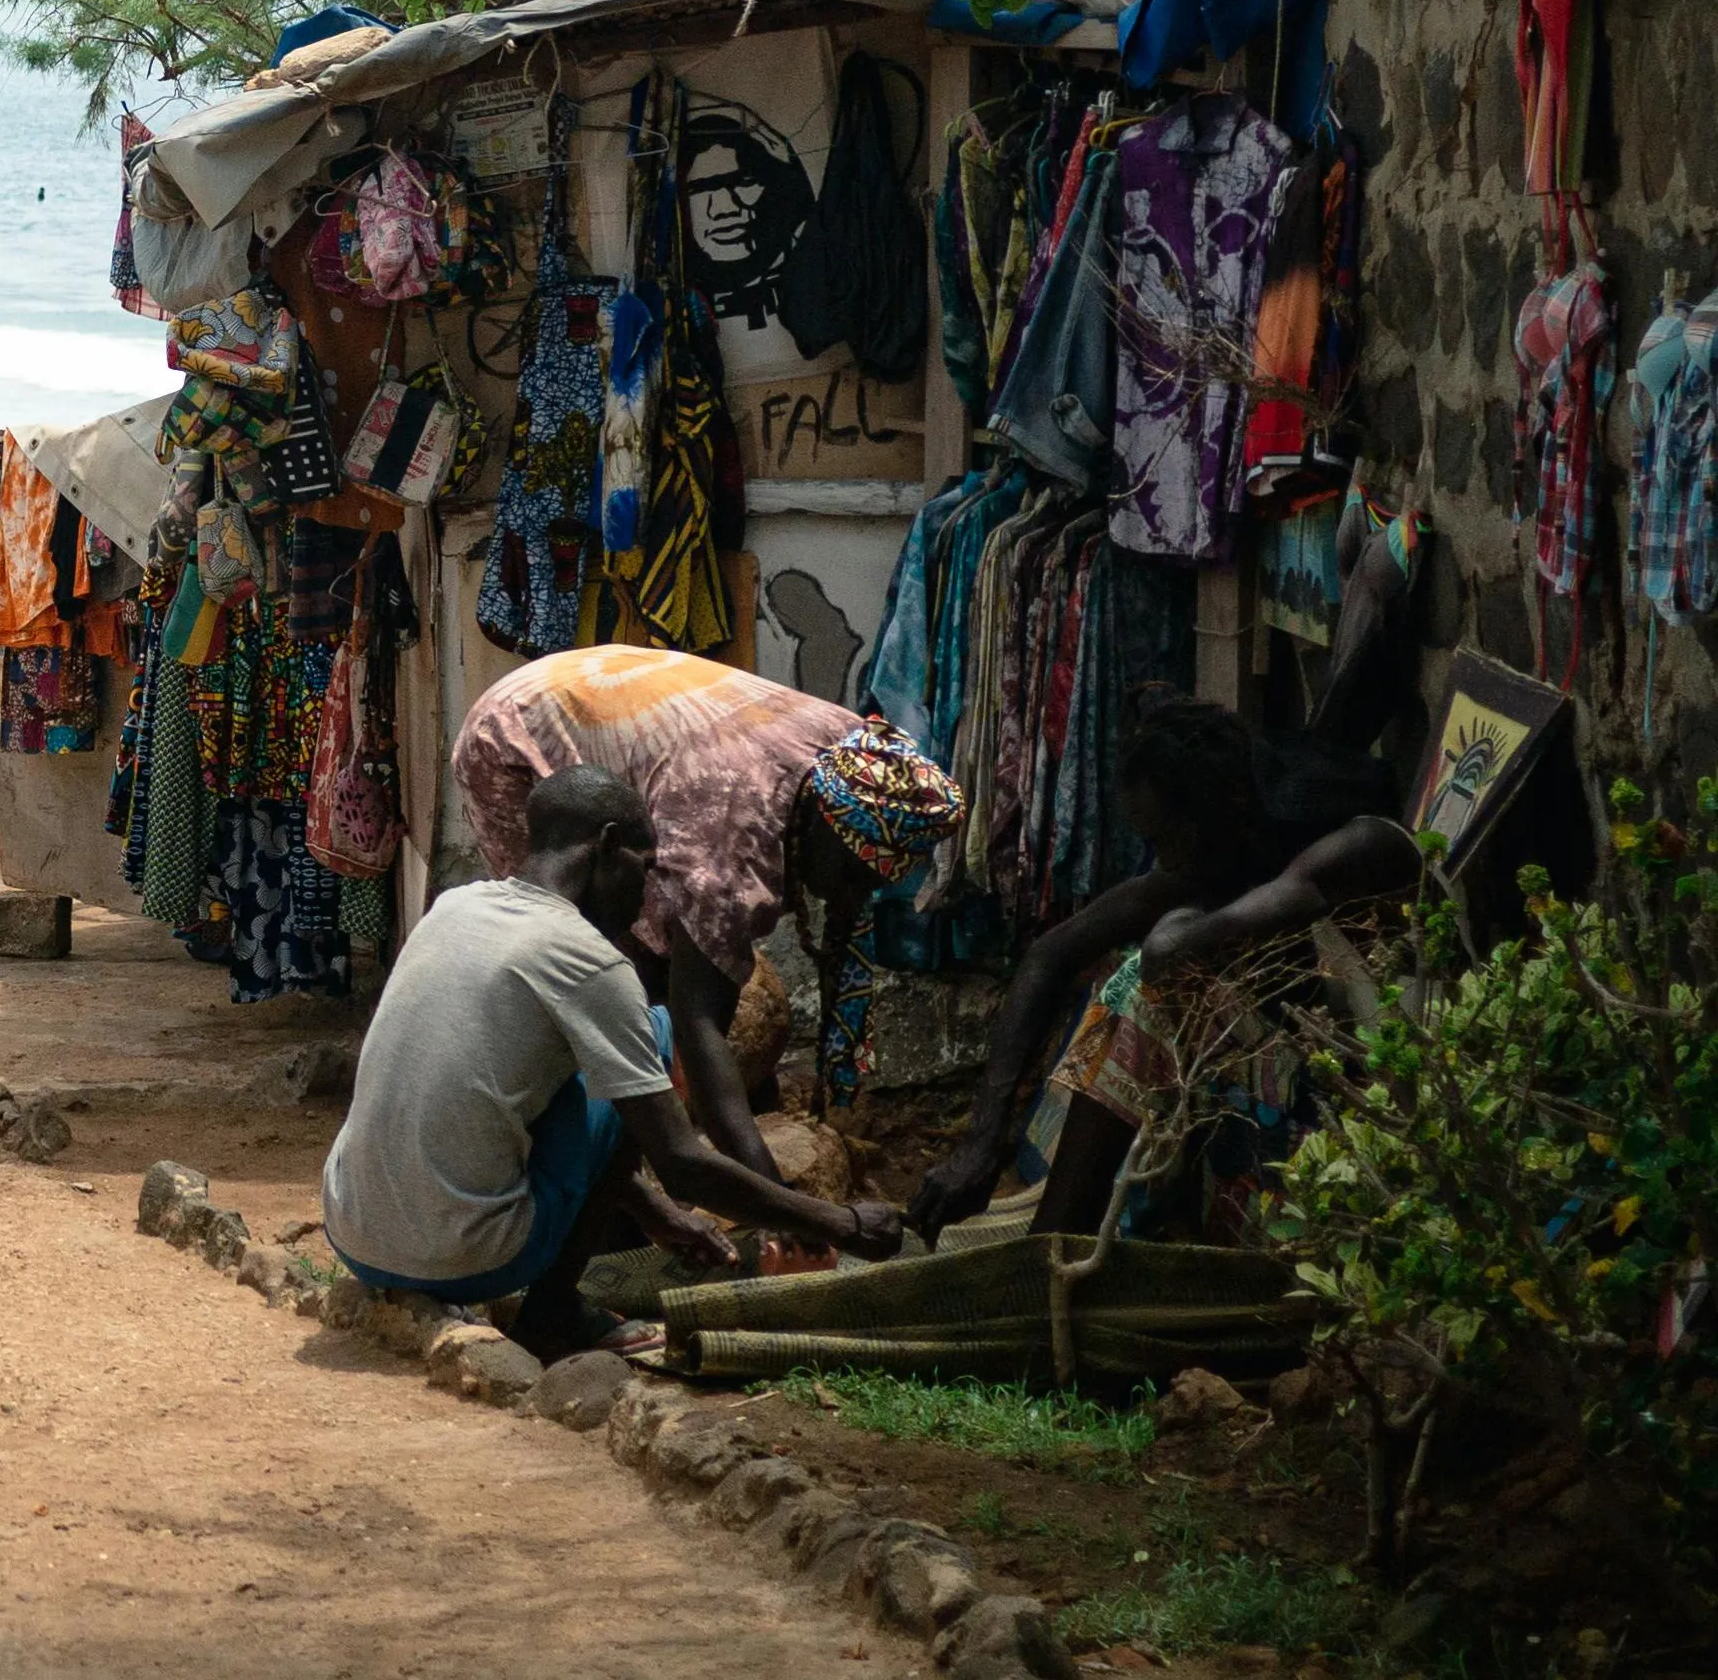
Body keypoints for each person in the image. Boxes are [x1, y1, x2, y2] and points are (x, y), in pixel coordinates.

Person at [903, 512, 1426, 1244]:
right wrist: (980, 1139)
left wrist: (1160, 934)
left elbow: (1170, 953)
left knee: (1143, 995)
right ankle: (1055, 1241)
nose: (1164, 860)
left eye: (1169, 838)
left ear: (1226, 807)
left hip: (1391, 1121)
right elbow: (1052, 953)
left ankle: (1056, 1249)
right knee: (1131, 990)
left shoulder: (1342, 847)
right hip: (1296, 1092)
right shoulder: (1226, 843)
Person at [326, 766, 906, 1359]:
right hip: (464, 1259)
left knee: (572, 1071)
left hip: (352, 1231)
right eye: (646, 866)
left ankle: (505, 1261)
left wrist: (654, 1213)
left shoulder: (454, 907)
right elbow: (681, 1163)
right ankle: (551, 1313)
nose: (649, 891)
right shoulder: (591, 963)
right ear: (606, 847)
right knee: (652, 1033)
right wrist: (841, 1224)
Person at [450, 643, 963, 1258]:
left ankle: (620, 1187)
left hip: (596, 694)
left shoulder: (856, 757)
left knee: (646, 997)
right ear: (827, 831)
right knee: (594, 987)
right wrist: (784, 1209)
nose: (857, 894)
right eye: (854, 876)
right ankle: (589, 1213)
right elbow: (700, 1028)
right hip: (516, 733)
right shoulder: (734, 834)